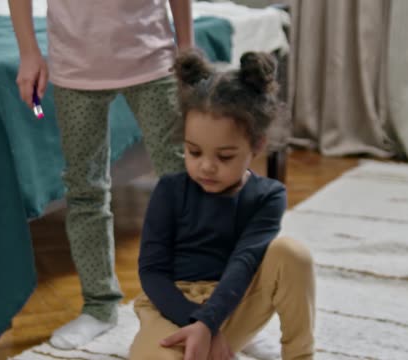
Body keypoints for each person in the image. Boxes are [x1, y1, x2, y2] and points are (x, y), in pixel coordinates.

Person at [8, 0, 193, 349]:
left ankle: (212, 304)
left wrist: (186, 45)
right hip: (75, 65)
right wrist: (29, 52)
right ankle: (99, 306)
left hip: (153, 60)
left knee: (186, 188)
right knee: (85, 190)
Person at [129, 50, 316, 360]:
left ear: (257, 145)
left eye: (224, 156)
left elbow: (245, 262)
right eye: (194, 152)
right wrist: (199, 323)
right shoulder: (169, 190)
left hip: (233, 300)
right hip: (171, 305)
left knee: (292, 254)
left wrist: (209, 321)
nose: (206, 167)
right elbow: (152, 271)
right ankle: (223, 342)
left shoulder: (269, 195)